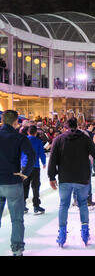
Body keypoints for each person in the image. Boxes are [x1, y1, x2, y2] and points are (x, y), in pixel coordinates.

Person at [48, 117, 95, 248]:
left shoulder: (58, 139)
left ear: (65, 127)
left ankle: (62, 233)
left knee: (63, 205)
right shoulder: (85, 138)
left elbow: (52, 159)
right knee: (82, 204)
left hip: (65, 178)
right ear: (77, 126)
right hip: (82, 178)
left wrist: (51, 176)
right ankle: (85, 232)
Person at [0, 110, 36, 256]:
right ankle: (17, 249)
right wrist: (25, 173)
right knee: (16, 219)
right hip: (13, 181)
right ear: (16, 122)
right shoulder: (19, 137)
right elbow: (31, 156)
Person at [21, 125, 46, 215]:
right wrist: (44, 162)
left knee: (24, 185)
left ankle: (22, 206)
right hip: (35, 166)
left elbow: (19, 152)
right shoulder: (38, 141)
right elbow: (41, 153)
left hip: (24, 166)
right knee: (35, 186)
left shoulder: (23, 140)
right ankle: (36, 206)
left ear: (28, 132)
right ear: (36, 133)